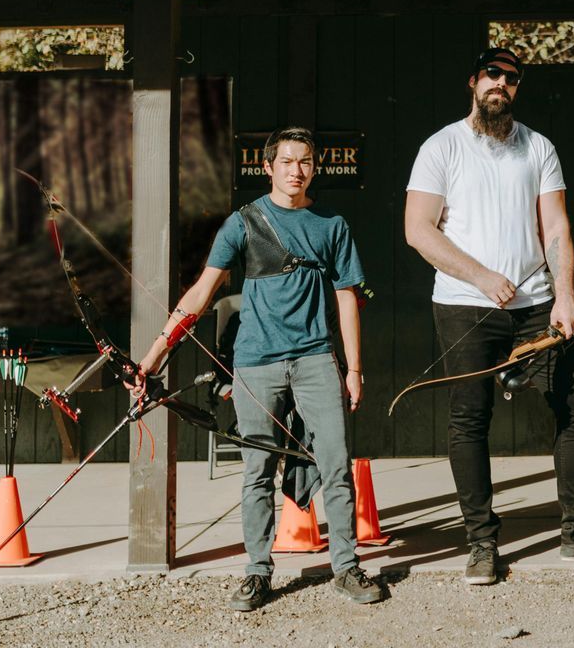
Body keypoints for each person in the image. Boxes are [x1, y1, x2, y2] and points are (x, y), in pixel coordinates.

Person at [135, 126, 386, 613]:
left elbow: (347, 299)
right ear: (267, 167)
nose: (297, 170)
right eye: (287, 161)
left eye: (306, 161)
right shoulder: (243, 222)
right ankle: (257, 572)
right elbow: (202, 292)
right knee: (257, 470)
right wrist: (153, 357)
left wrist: (354, 369)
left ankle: (345, 565)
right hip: (255, 361)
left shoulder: (332, 224)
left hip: (317, 358)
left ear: (316, 167)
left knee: (335, 464)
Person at [404, 46, 574, 586]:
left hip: (537, 304)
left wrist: (565, 296)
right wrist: (482, 277)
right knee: (470, 417)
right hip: (465, 307)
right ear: (473, 81)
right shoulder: (441, 147)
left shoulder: (538, 147)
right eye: (493, 74)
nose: (502, 85)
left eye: (511, 79)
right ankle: (481, 542)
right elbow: (419, 229)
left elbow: (556, 228)